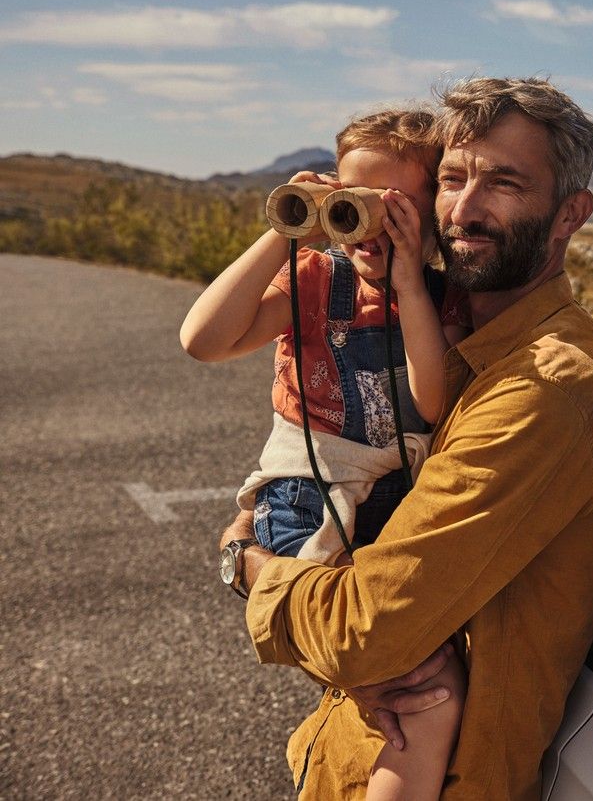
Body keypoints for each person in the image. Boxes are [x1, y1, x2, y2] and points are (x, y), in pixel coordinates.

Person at [215, 77, 593, 800]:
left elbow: (364, 632)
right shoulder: (455, 342)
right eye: (451, 179)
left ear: (571, 213)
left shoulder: (547, 390)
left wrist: (244, 559)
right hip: (349, 755)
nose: (464, 209)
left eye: (504, 182)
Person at [182, 108, 470, 799]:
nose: (365, 226)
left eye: (392, 209)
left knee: (412, 688)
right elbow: (203, 339)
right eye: (350, 202)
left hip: (391, 512)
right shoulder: (315, 277)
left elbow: (433, 404)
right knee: (418, 689)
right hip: (307, 505)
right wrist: (284, 230)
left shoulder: (441, 299)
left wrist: (406, 286)